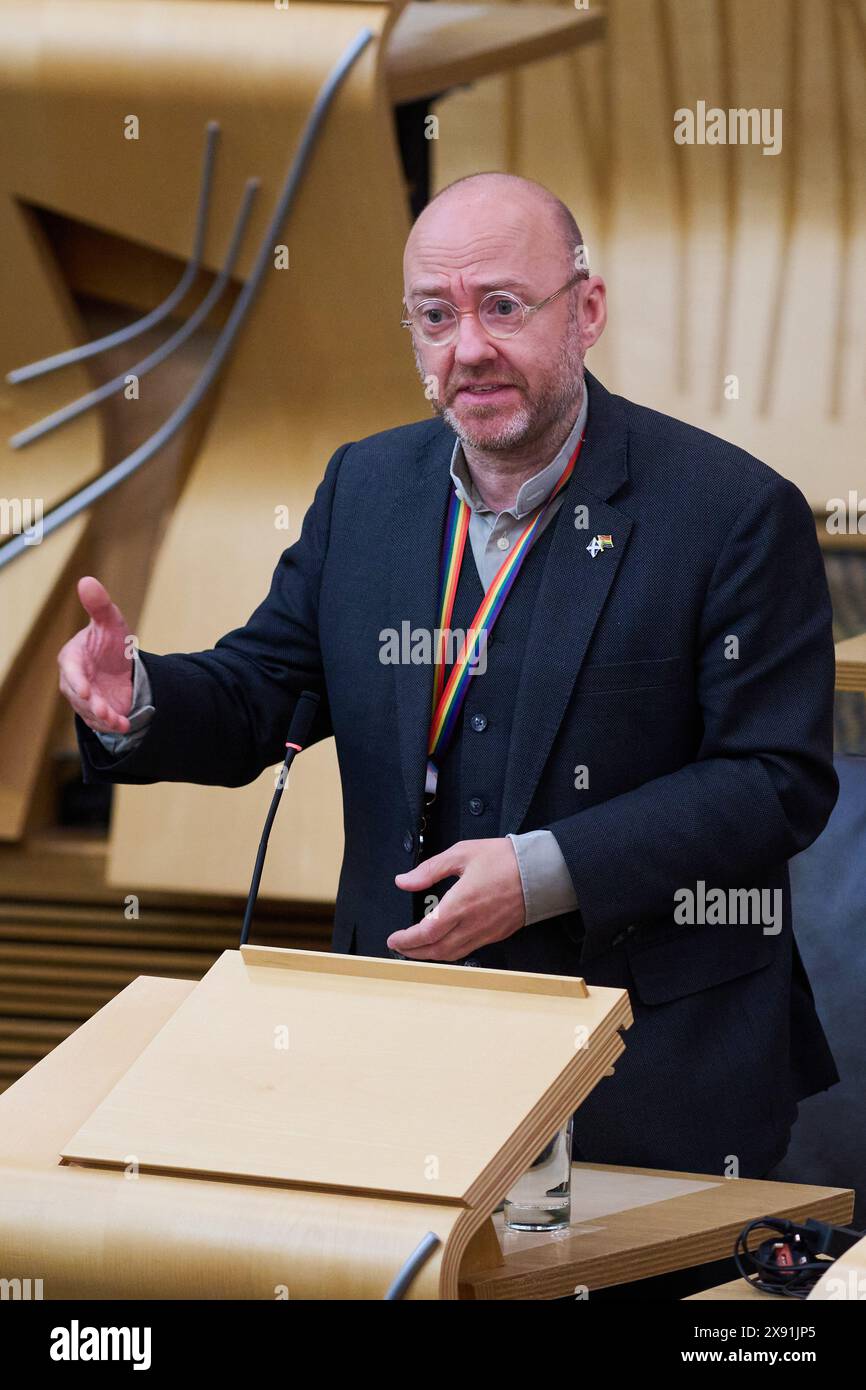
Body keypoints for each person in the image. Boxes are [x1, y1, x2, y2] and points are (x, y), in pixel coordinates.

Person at [58, 172, 840, 1178]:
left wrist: (542, 871)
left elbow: (773, 781)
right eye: (436, 315)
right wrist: (142, 699)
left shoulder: (730, 511)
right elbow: (263, 689)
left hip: (647, 1072)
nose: (467, 346)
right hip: (396, 1050)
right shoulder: (365, 487)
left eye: (502, 306)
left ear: (585, 311)